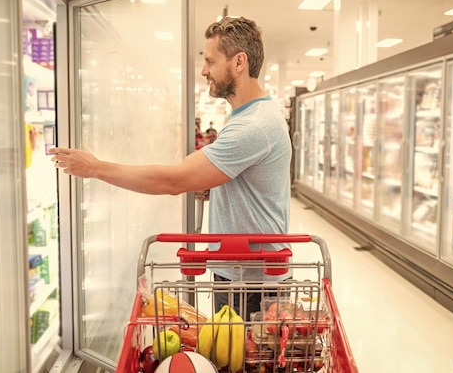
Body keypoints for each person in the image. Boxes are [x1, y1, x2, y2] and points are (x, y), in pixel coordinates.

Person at [49, 16, 292, 319]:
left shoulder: (254, 126)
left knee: (243, 364)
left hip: (252, 282)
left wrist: (96, 168)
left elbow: (172, 181)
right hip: (243, 269)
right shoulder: (252, 116)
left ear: (239, 62)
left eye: (210, 61)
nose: (204, 71)